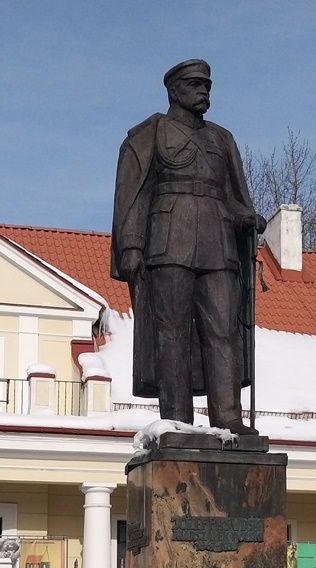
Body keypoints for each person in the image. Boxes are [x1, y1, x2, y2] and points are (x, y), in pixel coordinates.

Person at [112, 58, 266, 435]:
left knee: (224, 330)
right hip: (168, 242)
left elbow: (232, 195)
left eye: (207, 86)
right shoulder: (151, 134)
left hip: (218, 244)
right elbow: (134, 194)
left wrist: (246, 216)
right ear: (173, 91)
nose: (204, 91)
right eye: (196, 84)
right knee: (172, 332)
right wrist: (131, 245)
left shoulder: (221, 139)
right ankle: (178, 420)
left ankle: (228, 417)